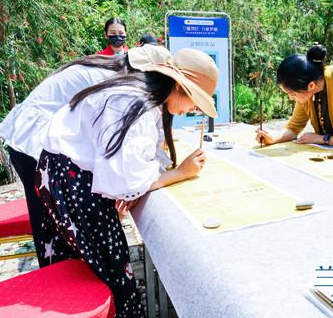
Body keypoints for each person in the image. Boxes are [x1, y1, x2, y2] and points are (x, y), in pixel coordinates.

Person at [36, 48, 218, 318]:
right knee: (110, 271)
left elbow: (137, 163)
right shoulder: (135, 104)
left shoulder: (145, 96)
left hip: (67, 175)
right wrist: (181, 173)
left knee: (94, 266)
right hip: (73, 182)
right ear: (179, 86)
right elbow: (126, 183)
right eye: (195, 102)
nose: (193, 110)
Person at [0, 45, 172, 267]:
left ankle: (72, 270)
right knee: (52, 222)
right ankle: (60, 275)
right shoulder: (116, 82)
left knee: (58, 218)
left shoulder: (110, 70)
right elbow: (113, 144)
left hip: (38, 137)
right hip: (34, 140)